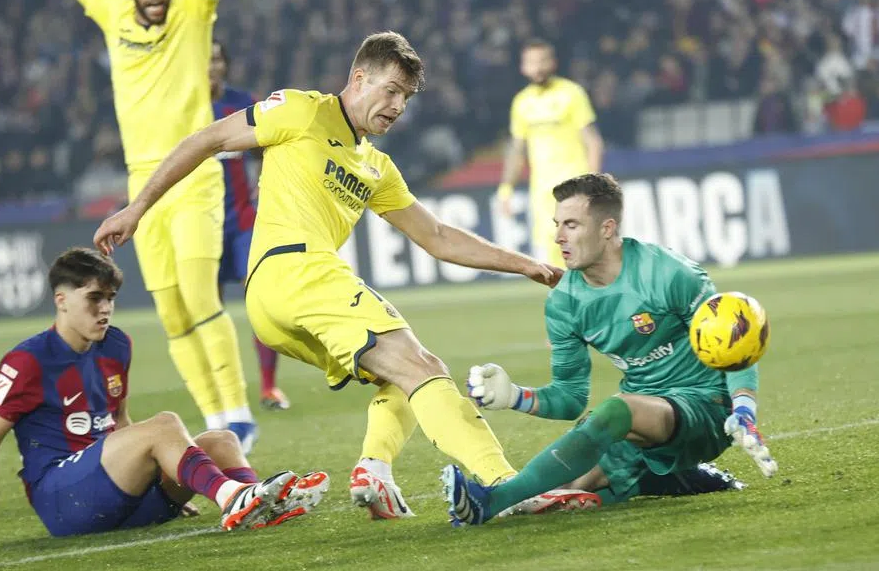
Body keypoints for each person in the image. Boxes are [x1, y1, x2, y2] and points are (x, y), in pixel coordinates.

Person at [94, 31, 563, 521]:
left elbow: (438, 236)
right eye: (391, 90)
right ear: (358, 79)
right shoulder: (301, 111)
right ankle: (508, 485)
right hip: (296, 269)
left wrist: (524, 262)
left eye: (406, 96)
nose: (398, 105)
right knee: (423, 367)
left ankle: (374, 469)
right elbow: (207, 138)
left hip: (275, 303)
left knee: (402, 376)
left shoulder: (376, 166)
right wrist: (138, 208)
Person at [0, 0, 258, 450]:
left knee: (201, 298)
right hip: (143, 182)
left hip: (195, 175)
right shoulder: (110, 10)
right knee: (170, 316)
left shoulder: (196, 11)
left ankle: (240, 411)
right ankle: (217, 422)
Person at [443, 173, 778, 525]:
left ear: (606, 228)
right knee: (559, 489)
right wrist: (515, 396)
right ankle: (668, 478)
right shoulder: (565, 303)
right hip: (643, 418)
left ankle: (489, 502)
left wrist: (744, 410)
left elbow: (735, 339)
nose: (558, 237)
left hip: (705, 409)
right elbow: (569, 397)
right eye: (557, 224)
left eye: (571, 225)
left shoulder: (668, 273)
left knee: (615, 411)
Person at [0, 248, 327, 537]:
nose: (105, 308)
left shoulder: (116, 345)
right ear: (62, 300)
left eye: (110, 298)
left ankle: (262, 504)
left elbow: (119, 422)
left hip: (116, 493)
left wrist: (169, 475)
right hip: (63, 500)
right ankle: (231, 497)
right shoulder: (27, 360)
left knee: (222, 440)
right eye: (94, 298)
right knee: (165, 423)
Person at [209, 38, 289, 411]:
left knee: (261, 301)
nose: (211, 66)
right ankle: (221, 394)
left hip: (242, 220)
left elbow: (269, 144)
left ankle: (269, 387)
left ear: (225, 64)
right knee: (209, 311)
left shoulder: (241, 102)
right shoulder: (181, 107)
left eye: (216, 58)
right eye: (204, 60)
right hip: (201, 224)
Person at [497, 40, 604, 269]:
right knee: (555, 250)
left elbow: (593, 141)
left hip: (575, 185)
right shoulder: (522, 102)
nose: (538, 67)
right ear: (523, 67)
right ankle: (570, 301)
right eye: (532, 62)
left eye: (542, 61)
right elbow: (517, 150)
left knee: (585, 247)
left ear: (553, 63)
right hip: (543, 191)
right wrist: (506, 189)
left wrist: (593, 185)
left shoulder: (571, 93)